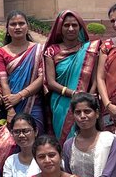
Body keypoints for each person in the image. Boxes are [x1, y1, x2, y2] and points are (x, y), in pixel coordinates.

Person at [43, 10, 101, 143]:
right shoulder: (52, 51)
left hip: (87, 102)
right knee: (64, 141)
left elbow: (95, 79)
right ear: (60, 28)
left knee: (88, 138)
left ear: (80, 27)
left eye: (74, 25)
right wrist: (73, 93)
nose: (70, 29)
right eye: (66, 25)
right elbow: (51, 82)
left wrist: (88, 98)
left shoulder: (90, 49)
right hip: (61, 102)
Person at [0, 10, 44, 126]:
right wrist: (10, 109)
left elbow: (42, 78)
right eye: (13, 24)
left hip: (33, 103)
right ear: (7, 29)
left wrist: (20, 96)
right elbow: (4, 82)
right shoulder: (0, 53)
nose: (17, 27)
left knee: (37, 138)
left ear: (27, 27)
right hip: (10, 105)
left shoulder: (39, 50)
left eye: (21, 23)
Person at [61, 92, 116, 177]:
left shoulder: (110, 140)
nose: (82, 116)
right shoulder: (68, 145)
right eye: (78, 112)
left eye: (87, 111)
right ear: (73, 116)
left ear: (97, 114)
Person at [1, 113, 42, 177]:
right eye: (17, 132)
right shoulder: (10, 161)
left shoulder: (46, 158)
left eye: (26, 131)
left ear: (35, 131)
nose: (21, 135)